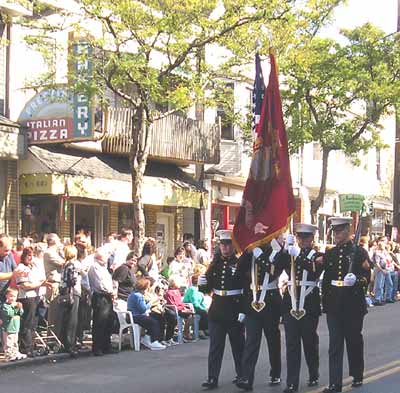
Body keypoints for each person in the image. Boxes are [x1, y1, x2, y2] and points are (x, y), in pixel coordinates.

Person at [321, 217, 370, 393]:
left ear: (349, 232)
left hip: (353, 304)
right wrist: (324, 302)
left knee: (353, 341)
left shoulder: (359, 252)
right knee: (335, 345)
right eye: (334, 232)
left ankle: (357, 374)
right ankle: (335, 384)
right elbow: (326, 280)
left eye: (340, 231)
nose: (337, 235)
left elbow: (367, 276)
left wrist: (357, 280)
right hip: (335, 304)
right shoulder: (331, 253)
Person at [278, 224, 324, 393]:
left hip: (309, 304)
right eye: (299, 238)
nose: (302, 241)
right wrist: (284, 248)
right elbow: (275, 265)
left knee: (309, 342)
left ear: (312, 239)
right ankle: (291, 383)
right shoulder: (290, 254)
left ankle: (313, 373)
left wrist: (296, 254)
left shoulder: (318, 256)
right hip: (291, 303)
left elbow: (313, 270)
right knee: (292, 344)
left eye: (306, 238)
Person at [235, 239, 284, 391]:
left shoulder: (276, 251)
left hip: (270, 301)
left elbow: (274, 270)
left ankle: (275, 372)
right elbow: (239, 271)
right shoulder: (251, 252)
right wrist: (247, 252)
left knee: (272, 340)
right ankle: (247, 378)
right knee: (251, 341)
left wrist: (259, 253)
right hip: (252, 300)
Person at [199, 230, 245, 390]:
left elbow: (246, 288)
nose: (225, 247)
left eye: (228, 244)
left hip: (234, 308)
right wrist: (202, 284)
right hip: (217, 309)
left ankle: (242, 375)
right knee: (215, 347)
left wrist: (244, 310)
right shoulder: (215, 264)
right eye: (222, 244)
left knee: (238, 346)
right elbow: (207, 289)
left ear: (233, 246)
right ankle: (212, 377)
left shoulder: (240, 263)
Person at [16, 247, 48, 357]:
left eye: (32, 255)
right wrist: (38, 284)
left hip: (36, 296)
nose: (30, 258)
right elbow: (25, 285)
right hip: (26, 298)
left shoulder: (33, 267)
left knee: (34, 323)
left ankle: (32, 346)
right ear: (23, 256)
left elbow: (41, 278)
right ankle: (25, 348)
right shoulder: (21, 268)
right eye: (28, 255)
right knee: (27, 323)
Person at [88, 248, 116, 356]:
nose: (108, 258)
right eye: (106, 256)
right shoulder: (95, 267)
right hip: (100, 296)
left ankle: (106, 345)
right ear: (100, 257)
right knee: (100, 322)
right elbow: (100, 284)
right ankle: (98, 347)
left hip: (107, 296)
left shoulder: (103, 268)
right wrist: (110, 291)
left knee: (108, 321)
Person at [59, 245, 85, 357]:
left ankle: (64, 342)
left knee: (66, 318)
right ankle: (70, 344)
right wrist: (80, 273)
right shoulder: (73, 265)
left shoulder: (65, 264)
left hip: (64, 292)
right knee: (72, 319)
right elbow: (72, 280)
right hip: (72, 292)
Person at [127, 277, 166, 350]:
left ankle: (147, 338)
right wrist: (152, 302)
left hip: (133, 316)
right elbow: (143, 309)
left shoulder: (133, 294)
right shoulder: (138, 296)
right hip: (136, 316)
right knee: (153, 322)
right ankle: (153, 341)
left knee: (155, 319)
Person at [43, 233, 65, 337]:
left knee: (58, 313)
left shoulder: (55, 252)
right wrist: (62, 251)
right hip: (53, 283)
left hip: (59, 283)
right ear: (53, 241)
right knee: (53, 313)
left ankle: (57, 335)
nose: (60, 241)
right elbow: (64, 263)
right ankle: (51, 338)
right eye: (58, 240)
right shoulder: (49, 253)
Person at [0, 288, 26, 361]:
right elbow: (10, 314)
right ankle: (8, 355)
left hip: (16, 326)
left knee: (15, 341)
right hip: (8, 327)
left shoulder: (16, 304)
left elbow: (21, 313)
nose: (12, 298)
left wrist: (20, 308)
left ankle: (15, 353)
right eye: (10, 296)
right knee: (9, 342)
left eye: (14, 296)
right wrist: (17, 308)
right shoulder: (5, 306)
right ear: (6, 296)